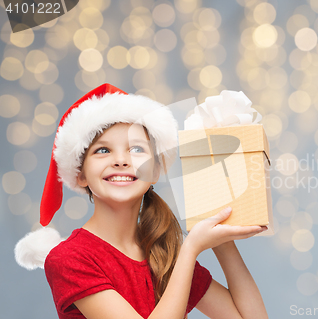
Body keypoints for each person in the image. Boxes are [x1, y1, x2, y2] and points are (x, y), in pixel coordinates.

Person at [14, 84, 269, 319]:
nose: (121, 160)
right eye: (103, 150)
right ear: (80, 174)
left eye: (137, 149)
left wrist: (221, 242)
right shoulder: (69, 258)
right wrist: (192, 248)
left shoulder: (164, 253)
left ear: (155, 171)